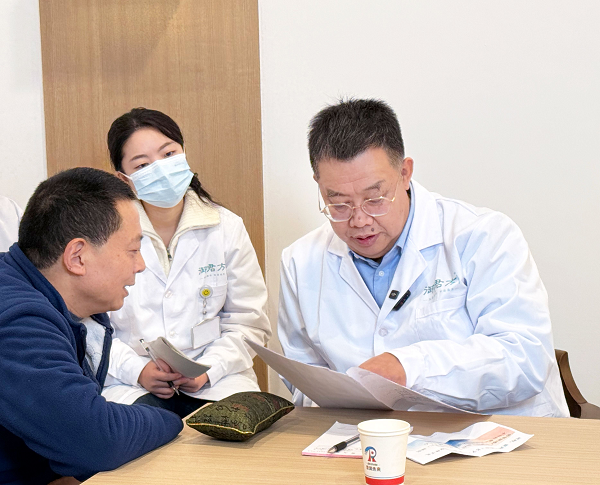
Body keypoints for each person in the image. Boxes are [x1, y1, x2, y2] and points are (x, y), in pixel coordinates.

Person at [278, 98, 569, 417]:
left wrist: (408, 367)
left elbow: (524, 358)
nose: (359, 220)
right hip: (373, 439)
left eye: (375, 198)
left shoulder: (483, 236)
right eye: (339, 203)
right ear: (319, 186)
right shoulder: (300, 262)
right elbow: (305, 382)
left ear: (405, 173)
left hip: (501, 432)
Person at [0, 168, 183, 485]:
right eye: (133, 250)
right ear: (77, 257)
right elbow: (95, 442)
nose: (140, 266)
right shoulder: (18, 319)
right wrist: (176, 420)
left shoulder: (48, 296)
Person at [102, 108, 271, 418]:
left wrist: (209, 368)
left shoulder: (226, 226)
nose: (161, 169)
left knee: (235, 431)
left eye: (169, 154)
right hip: (132, 384)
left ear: (184, 155)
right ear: (124, 179)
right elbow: (91, 327)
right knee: (144, 434)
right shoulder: (104, 236)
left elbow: (248, 322)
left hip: (218, 381)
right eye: (143, 165)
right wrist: (137, 371)